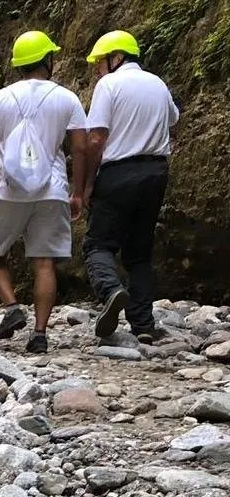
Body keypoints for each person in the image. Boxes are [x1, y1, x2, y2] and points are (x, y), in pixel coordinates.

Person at [0, 31, 87, 354]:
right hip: (53, 191)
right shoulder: (67, 99)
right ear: (47, 61)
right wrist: (78, 192)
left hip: (8, 190)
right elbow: (80, 148)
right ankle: (39, 333)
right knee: (44, 262)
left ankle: (11, 307)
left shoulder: (0, 98)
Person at [80, 30, 179, 344]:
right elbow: (174, 120)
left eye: (99, 61)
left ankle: (111, 291)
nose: (97, 68)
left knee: (98, 245)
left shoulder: (108, 85)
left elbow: (96, 139)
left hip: (119, 170)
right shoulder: (158, 84)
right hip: (156, 170)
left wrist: (88, 183)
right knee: (139, 253)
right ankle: (143, 324)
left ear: (116, 57)